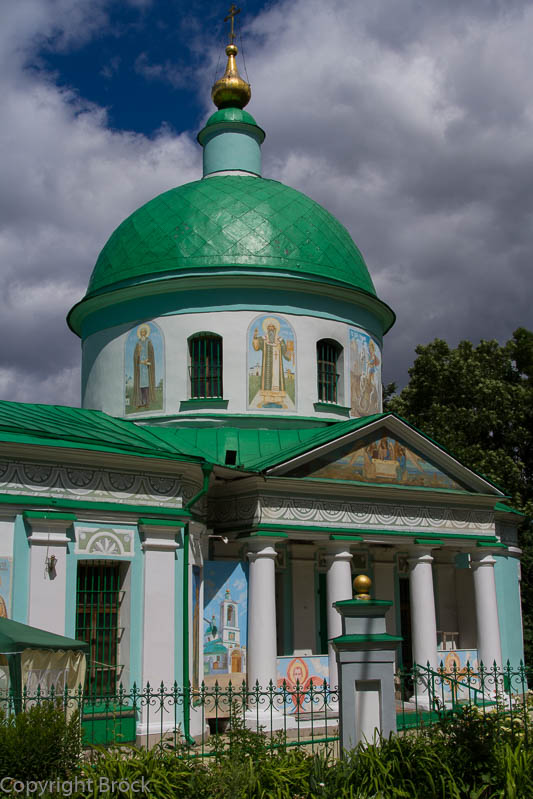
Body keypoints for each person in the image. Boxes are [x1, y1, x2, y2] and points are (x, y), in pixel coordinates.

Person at [133, 324, 156, 409]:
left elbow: (151, 353)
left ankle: (147, 402)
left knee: (146, 385)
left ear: (146, 333)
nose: (142, 333)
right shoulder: (138, 342)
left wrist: (148, 361)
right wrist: (138, 356)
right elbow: (135, 355)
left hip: (146, 368)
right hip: (140, 368)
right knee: (140, 385)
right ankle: (141, 402)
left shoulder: (148, 341)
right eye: (141, 332)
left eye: (144, 332)